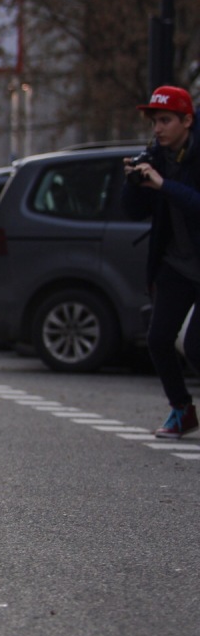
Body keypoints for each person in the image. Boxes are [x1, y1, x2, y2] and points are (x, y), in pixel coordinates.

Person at [123, 84, 200, 438]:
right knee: (158, 338)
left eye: (165, 120)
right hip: (177, 264)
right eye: (154, 121)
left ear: (187, 120)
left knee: (197, 346)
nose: (158, 129)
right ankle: (182, 410)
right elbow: (133, 211)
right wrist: (134, 181)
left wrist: (163, 184)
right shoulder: (156, 155)